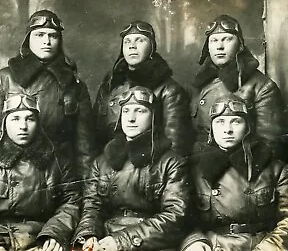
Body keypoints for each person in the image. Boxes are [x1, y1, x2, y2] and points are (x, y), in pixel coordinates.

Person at [0, 9, 95, 180]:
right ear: (28, 39)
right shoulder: (3, 80)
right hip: (11, 177)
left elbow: (85, 147)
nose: (46, 41)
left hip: (59, 175)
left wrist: (86, 186)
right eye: (39, 35)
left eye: (53, 36)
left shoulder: (74, 85)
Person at [0, 94, 80, 251]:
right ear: (4, 123)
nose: (23, 126)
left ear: (38, 123)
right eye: (15, 119)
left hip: (40, 240)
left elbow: (71, 202)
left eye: (30, 119)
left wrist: (55, 233)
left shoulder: (58, 161)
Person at [73, 86, 191, 251]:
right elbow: (92, 206)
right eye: (126, 111)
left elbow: (175, 216)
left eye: (140, 111)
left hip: (148, 243)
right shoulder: (102, 162)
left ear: (154, 117)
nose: (131, 118)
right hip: (105, 240)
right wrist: (89, 235)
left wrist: (122, 241)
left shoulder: (171, 162)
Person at [181, 94, 288, 251]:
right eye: (220, 122)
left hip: (259, 244)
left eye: (236, 121)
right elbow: (181, 218)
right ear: (211, 129)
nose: (228, 130)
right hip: (213, 246)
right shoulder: (194, 169)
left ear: (248, 127)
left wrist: (268, 247)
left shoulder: (274, 168)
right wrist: (194, 242)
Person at [93, 20, 191, 156]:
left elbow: (175, 147)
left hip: (149, 167)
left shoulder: (169, 90)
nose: (132, 46)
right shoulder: (110, 83)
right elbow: (95, 134)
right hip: (109, 166)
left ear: (151, 47)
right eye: (127, 41)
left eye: (139, 40)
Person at [191, 14, 286, 153]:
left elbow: (269, 144)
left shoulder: (263, 87)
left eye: (227, 39)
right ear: (207, 47)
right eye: (214, 41)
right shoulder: (199, 83)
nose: (219, 46)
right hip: (198, 164)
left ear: (240, 45)